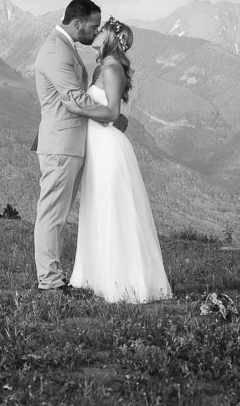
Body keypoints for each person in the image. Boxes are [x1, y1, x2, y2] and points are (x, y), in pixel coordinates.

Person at [68, 17, 172, 303]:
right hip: (98, 147)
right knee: (99, 209)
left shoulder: (112, 68)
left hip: (108, 149)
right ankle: (97, 276)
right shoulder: (104, 66)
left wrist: (76, 106)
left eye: (100, 31)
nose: (95, 34)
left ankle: (124, 282)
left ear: (111, 38)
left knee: (113, 211)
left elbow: (112, 113)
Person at [32, 0, 128, 294]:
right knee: (52, 213)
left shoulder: (64, 46)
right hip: (61, 143)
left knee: (58, 215)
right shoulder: (54, 51)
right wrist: (110, 116)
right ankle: (49, 281)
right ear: (77, 23)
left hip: (70, 142)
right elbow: (73, 98)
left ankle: (55, 276)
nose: (95, 31)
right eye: (93, 26)